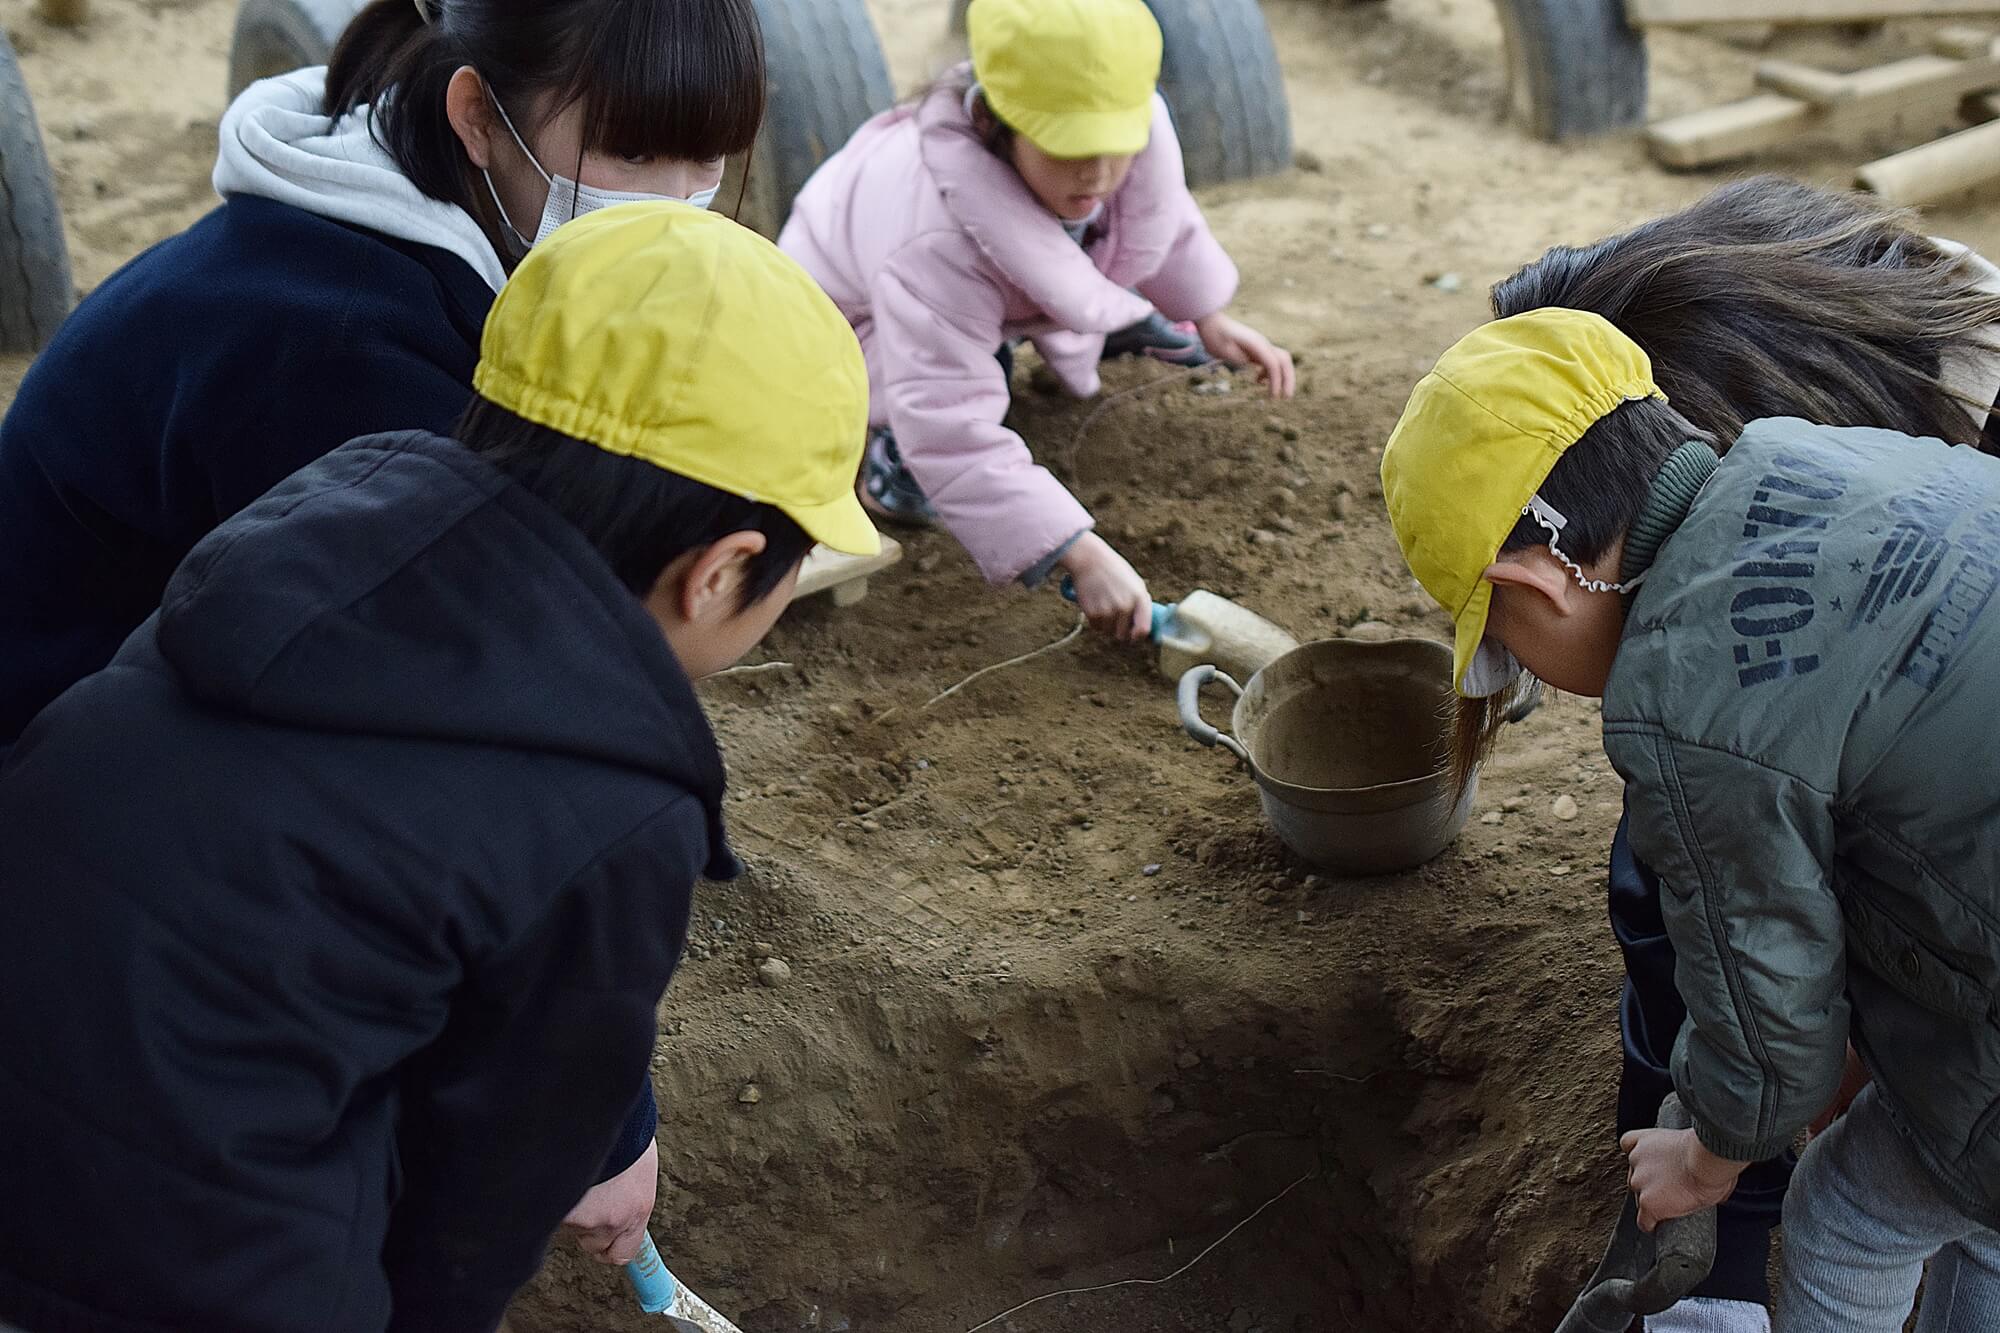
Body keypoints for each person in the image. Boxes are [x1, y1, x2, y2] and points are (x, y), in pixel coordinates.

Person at [0, 202, 876, 1333]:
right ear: (722, 572)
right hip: (187, 1272)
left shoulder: (311, 523)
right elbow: (490, 1187)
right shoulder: (618, 803)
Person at [1380, 307, 2000, 1333]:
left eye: (1507, 647)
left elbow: (1765, 1031)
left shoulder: (1682, 697)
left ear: (1535, 584)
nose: (1532, 675)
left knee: (1846, 1214)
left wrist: (1703, 1154)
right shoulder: (1819, 452)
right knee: (1965, 1194)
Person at [779, 0, 1295, 641]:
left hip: (960, 294)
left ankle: (1107, 317)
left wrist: (1208, 316)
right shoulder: (933, 240)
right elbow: (949, 425)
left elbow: (1155, 217)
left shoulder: (1110, 154)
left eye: (1117, 145)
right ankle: (890, 463)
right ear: (996, 123)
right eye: (1068, 147)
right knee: (952, 388)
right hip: (847, 323)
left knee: (1090, 243)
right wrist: (1078, 551)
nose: (1098, 173)